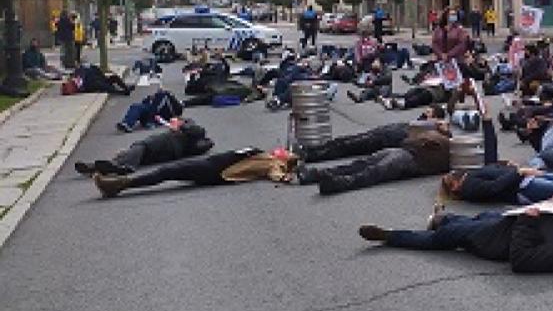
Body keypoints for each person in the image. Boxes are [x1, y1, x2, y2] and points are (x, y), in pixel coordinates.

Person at [357, 206, 553, 273]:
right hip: (504, 220)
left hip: (493, 240)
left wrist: (527, 219)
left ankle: (391, 236)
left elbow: (521, 260)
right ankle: (442, 217)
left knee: (441, 238)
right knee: (474, 218)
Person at [296, 122, 451, 195]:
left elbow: (434, 148)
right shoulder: (435, 130)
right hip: (404, 150)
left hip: (414, 159)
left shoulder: (448, 145)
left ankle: (338, 184)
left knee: (374, 171)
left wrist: (435, 136)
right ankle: (315, 175)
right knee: (363, 163)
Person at [91, 147, 298, 197]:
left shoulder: (274, 164)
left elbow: (276, 174)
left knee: (166, 172)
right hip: (210, 163)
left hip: (215, 171)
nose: (282, 150)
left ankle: (117, 185)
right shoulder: (264, 153)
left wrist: (286, 177)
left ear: (284, 160)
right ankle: (118, 182)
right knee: (168, 171)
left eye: (286, 153)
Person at [75, 118, 213, 176]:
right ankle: (97, 167)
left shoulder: (193, 129)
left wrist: (181, 126)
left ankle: (127, 168)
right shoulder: (178, 132)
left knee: (141, 145)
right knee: (137, 151)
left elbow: (203, 137)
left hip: (170, 146)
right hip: (165, 149)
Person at [116, 86, 184, 133]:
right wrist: (150, 98)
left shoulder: (165, 97)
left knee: (137, 107)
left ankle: (127, 124)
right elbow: (144, 102)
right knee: (136, 107)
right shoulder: (154, 99)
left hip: (154, 115)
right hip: (150, 113)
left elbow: (155, 108)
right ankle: (126, 123)